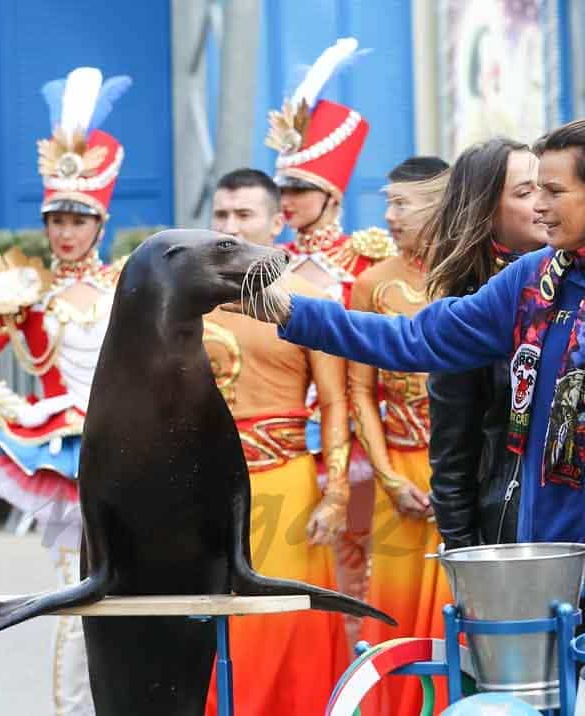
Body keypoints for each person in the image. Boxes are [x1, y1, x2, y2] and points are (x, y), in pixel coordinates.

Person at [228, 118, 585, 716]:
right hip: (554, 569)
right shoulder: (532, 283)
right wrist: (290, 311)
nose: (540, 208)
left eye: (555, 192)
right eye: (532, 191)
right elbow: (415, 339)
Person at [0, 66, 132, 716]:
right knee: (77, 599)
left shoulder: (131, 284)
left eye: (78, 218)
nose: (65, 231)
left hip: (132, 452)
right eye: (56, 219)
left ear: (101, 220)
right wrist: (1, 404)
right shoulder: (23, 294)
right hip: (65, 461)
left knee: (141, 598)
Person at [264, 37, 398, 646]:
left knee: (370, 568)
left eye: (298, 188)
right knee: (320, 573)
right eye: (282, 189)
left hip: (373, 431)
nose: (287, 201)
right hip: (301, 436)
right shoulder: (272, 266)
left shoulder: (371, 259)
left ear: (332, 193)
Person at [201, 169, 350, 715]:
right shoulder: (190, 303)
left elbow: (336, 402)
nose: (230, 226)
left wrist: (335, 495)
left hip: (286, 483)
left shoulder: (311, 300)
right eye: (220, 215)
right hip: (201, 489)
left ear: (276, 220)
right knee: (207, 623)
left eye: (244, 215)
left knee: (290, 628)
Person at [347, 157, 449, 716]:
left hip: (460, 474)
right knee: (393, 615)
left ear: (439, 205)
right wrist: (388, 480)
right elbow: (361, 391)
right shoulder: (373, 284)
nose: (389, 215)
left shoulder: (475, 275)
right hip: (401, 477)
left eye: (401, 204)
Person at [427, 138, 550, 550]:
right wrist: (467, 555)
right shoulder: (467, 311)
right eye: (524, 192)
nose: (542, 201)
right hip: (513, 525)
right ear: (485, 211)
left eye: (547, 187)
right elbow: (453, 457)